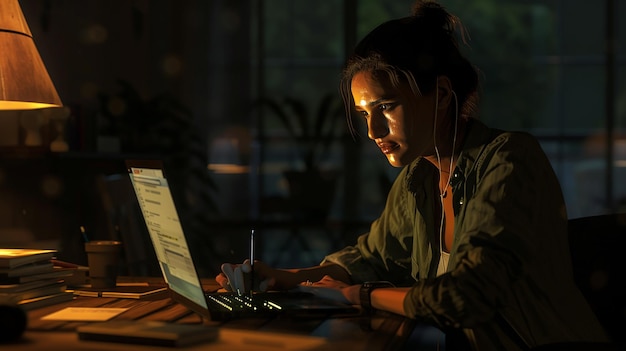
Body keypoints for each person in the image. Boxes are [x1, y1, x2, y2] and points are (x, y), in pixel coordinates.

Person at [217, 1, 611, 349]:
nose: (373, 130)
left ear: (441, 94)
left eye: (386, 107)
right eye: (363, 114)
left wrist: (358, 295)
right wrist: (287, 277)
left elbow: (465, 297)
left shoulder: (510, 160)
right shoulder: (417, 179)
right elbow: (371, 256)